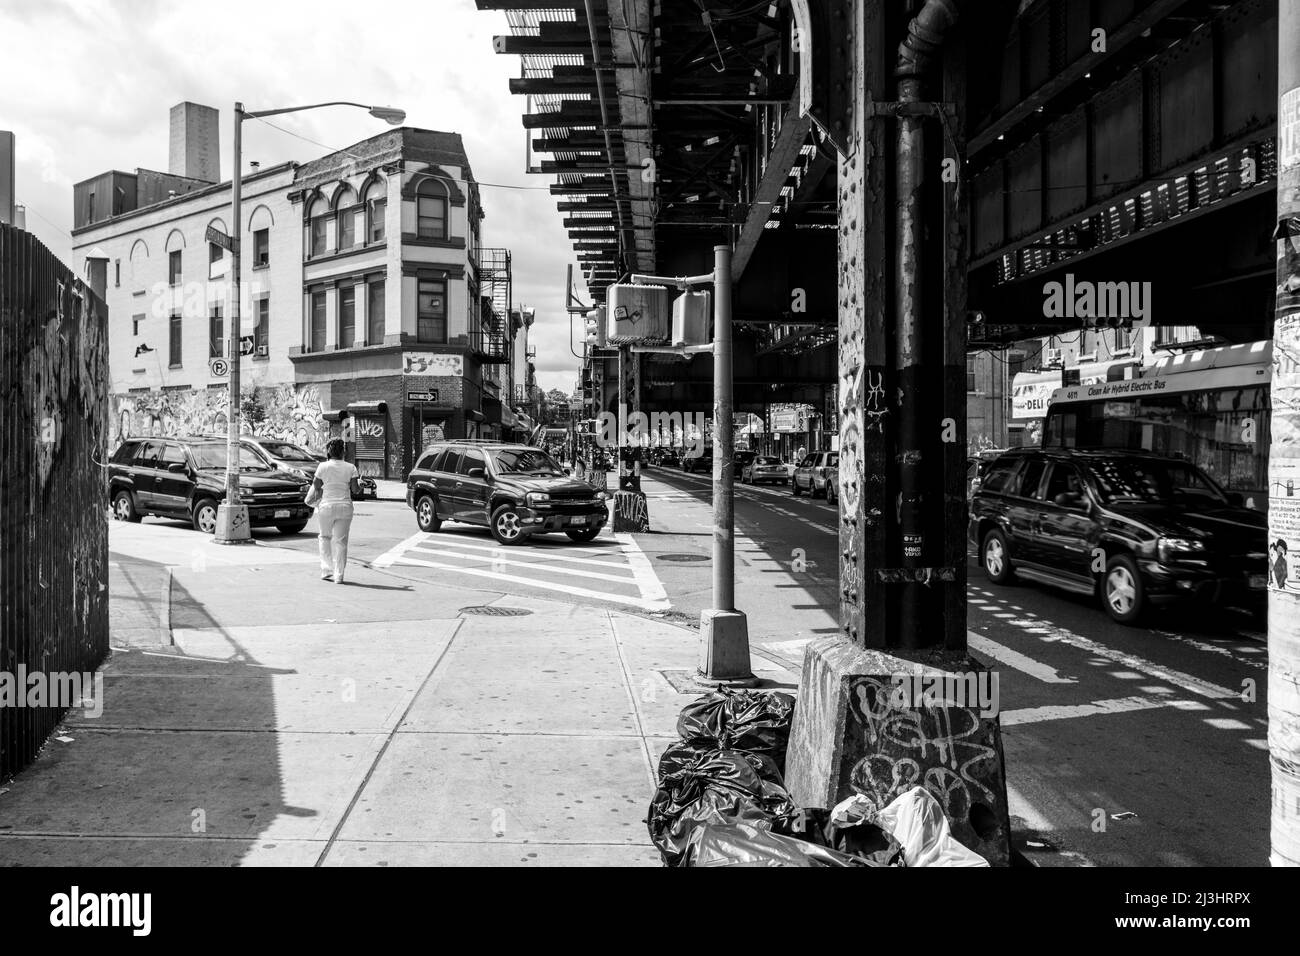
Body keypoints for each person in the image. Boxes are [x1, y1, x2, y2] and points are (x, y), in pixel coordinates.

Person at [311, 438, 361, 584]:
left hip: (326, 506)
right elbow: (355, 490)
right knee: (341, 542)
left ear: (328, 451)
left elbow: (316, 485)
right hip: (345, 507)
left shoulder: (322, 467)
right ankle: (339, 575)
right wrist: (360, 484)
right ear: (343, 451)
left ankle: (326, 570)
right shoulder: (351, 467)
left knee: (325, 537)